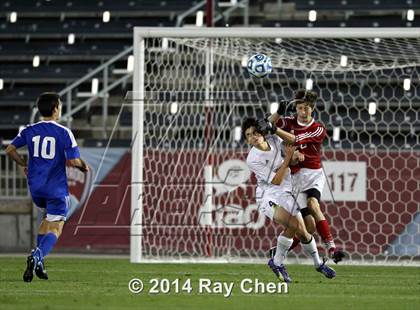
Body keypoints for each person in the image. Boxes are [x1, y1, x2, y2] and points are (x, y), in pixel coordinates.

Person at [5, 92, 89, 282]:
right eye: (59, 106)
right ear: (55, 109)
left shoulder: (29, 129)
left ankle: (39, 264)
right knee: (57, 227)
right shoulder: (63, 132)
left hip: (36, 188)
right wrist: (84, 167)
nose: (60, 109)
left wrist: (23, 164)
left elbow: (9, 149)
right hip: (55, 188)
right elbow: (74, 160)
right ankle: (37, 256)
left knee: (46, 220)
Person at [243, 117, 336, 283]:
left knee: (304, 230)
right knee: (292, 225)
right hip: (267, 195)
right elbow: (276, 180)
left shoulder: (274, 139)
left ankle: (318, 264)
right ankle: (277, 262)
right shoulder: (252, 159)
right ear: (246, 139)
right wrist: (288, 159)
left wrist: (296, 156)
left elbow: (290, 149)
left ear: (263, 134)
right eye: (249, 135)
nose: (253, 137)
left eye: (256, 133)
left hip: (286, 192)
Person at [261, 89, 345, 263]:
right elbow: (264, 127)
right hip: (295, 178)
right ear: (296, 109)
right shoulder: (290, 121)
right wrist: (277, 114)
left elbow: (295, 139)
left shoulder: (318, 129)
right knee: (308, 226)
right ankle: (278, 252)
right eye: (300, 108)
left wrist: (275, 128)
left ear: (312, 108)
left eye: (307, 108)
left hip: (313, 175)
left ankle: (331, 247)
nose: (303, 111)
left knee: (313, 205)